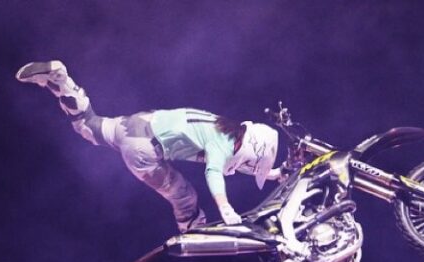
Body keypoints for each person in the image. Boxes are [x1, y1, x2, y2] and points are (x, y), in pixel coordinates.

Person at [15, 60, 281, 232]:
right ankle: (193, 234)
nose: (248, 167)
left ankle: (60, 80)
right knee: (184, 196)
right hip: (143, 148)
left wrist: (272, 174)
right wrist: (225, 208)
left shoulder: (224, 129)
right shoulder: (222, 145)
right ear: (250, 149)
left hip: (138, 124)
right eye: (252, 163)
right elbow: (214, 173)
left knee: (89, 126)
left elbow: (234, 163)